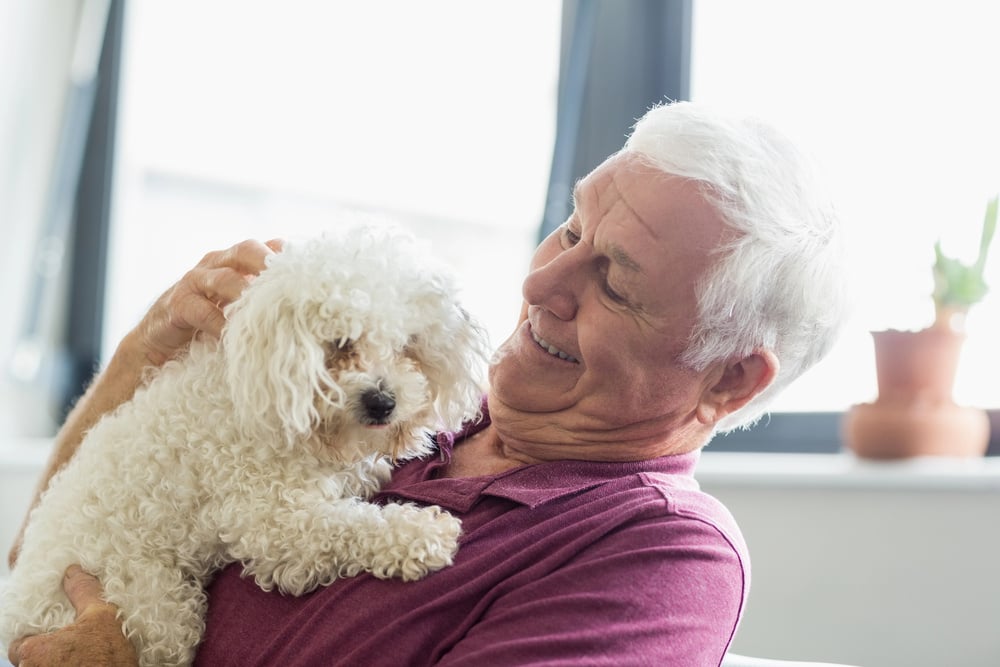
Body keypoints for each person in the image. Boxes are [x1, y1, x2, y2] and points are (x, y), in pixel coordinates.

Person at [5, 100, 848, 666]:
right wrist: (139, 359)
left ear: (731, 378)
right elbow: (33, 558)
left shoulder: (661, 557)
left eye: (615, 284)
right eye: (569, 227)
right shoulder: (411, 402)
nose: (541, 285)